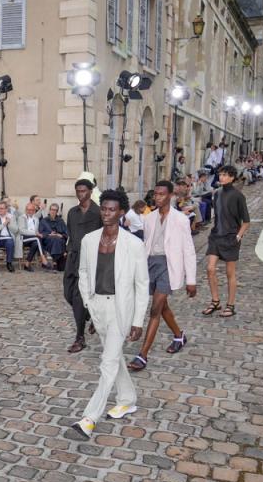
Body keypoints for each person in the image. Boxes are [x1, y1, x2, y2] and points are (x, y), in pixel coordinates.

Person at [70, 190, 148, 440]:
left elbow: (142, 285)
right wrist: (90, 305)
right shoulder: (89, 240)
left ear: (122, 212)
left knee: (108, 362)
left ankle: (89, 418)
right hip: (98, 307)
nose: (106, 213)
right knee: (114, 358)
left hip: (121, 309)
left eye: (111, 209)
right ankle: (127, 398)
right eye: (103, 208)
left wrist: (138, 320)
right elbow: (83, 273)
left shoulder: (134, 244)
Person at [127, 181, 197, 372]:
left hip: (169, 265)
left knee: (155, 308)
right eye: (155, 194)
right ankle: (178, 335)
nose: (157, 197)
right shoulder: (148, 219)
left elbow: (189, 251)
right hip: (150, 264)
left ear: (170, 195)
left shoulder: (180, 220)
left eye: (161, 194)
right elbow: (146, 244)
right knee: (163, 305)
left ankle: (142, 355)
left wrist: (191, 280)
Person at [203, 165, 250, 318]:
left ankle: (231, 305)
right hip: (216, 236)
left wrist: (238, 236)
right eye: (220, 174)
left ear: (232, 177)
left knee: (230, 273)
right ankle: (215, 301)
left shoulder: (238, 196)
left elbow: (246, 221)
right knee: (210, 269)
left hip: (231, 238)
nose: (221, 177)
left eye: (225, 175)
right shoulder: (216, 193)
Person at [65, 178, 103, 353]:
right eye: (78, 191)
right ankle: (90, 313)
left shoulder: (98, 212)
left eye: (83, 191)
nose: (80, 194)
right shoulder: (72, 212)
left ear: (90, 191)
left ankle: (80, 337)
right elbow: (71, 234)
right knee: (68, 294)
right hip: (73, 258)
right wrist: (69, 250)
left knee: (79, 297)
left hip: (90, 260)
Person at [0, 201, 19, 273]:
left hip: (7, 237)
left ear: (6, 209)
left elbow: (16, 230)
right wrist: (3, 224)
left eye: (1, 208)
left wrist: (9, 223)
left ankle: (9, 263)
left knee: (10, 243)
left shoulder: (11, 216)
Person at [18, 202, 48, 271]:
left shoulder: (36, 219)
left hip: (33, 239)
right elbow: (21, 230)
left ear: (34, 211)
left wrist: (42, 209)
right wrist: (35, 233)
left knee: (36, 243)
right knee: (37, 238)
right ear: (25, 210)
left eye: (31, 210)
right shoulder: (21, 218)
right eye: (28, 209)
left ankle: (27, 264)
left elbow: (43, 215)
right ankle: (43, 259)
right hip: (23, 238)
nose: (29, 211)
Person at [38, 203, 68, 272]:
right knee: (55, 240)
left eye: (55, 210)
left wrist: (61, 235)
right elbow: (41, 232)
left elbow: (66, 232)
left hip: (59, 240)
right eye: (52, 209)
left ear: (57, 211)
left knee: (58, 240)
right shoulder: (44, 221)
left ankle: (56, 262)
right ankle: (55, 262)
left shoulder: (60, 221)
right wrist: (49, 234)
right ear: (49, 210)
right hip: (48, 240)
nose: (53, 211)